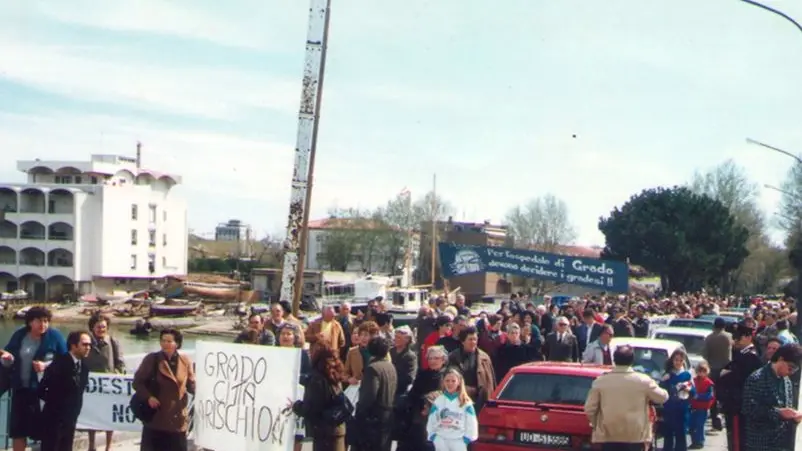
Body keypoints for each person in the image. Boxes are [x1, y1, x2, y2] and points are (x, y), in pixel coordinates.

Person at [0, 306, 67, 451]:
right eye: (39, 321)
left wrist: (46, 365)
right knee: (18, 432)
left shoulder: (55, 336)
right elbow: (9, 357)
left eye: (46, 321)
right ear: (30, 322)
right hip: (20, 390)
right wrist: (7, 358)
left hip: (43, 393)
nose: (43, 324)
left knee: (45, 431)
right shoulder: (19, 335)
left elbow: (66, 360)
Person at [585, 345, 669, 451]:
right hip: (635, 435)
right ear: (632, 360)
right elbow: (663, 397)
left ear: (614, 360)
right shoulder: (643, 380)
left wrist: (598, 424)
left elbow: (589, 408)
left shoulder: (600, 381)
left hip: (608, 434)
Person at [132, 329, 196, 451]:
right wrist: (148, 397)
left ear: (177, 344)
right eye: (163, 340)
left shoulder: (185, 361)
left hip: (178, 420)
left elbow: (191, 386)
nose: (165, 344)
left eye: (169, 341)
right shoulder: (152, 359)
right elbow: (137, 383)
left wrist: (201, 387)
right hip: (157, 418)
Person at [38, 330, 92, 451]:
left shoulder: (84, 367)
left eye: (89, 345)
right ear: (74, 345)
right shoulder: (59, 364)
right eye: (84, 344)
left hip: (71, 420)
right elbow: (42, 389)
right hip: (54, 420)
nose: (88, 347)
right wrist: (56, 406)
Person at [742, 343, 802, 451]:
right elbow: (748, 409)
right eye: (790, 367)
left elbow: (786, 410)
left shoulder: (787, 381)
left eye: (795, 370)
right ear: (780, 359)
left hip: (781, 444)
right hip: (760, 443)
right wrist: (778, 413)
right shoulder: (757, 378)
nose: (791, 372)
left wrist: (793, 417)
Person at [291, 346, 347, 451]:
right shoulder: (335, 375)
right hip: (338, 428)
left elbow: (311, 408)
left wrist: (296, 406)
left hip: (323, 432)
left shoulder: (317, 380)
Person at [84, 313, 126, 451]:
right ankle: (91, 445)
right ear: (92, 328)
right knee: (91, 416)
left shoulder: (113, 341)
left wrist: (116, 377)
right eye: (98, 327)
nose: (101, 329)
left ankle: (108, 447)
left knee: (109, 418)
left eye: (103, 327)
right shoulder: (86, 342)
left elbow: (120, 364)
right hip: (90, 387)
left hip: (109, 387)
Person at [718, 322, 763, 451]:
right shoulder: (742, 354)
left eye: (739, 337)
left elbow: (739, 379)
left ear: (748, 337)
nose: (735, 340)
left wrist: (725, 375)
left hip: (739, 405)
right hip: (735, 404)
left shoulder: (750, 356)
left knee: (738, 442)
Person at [398, 345, 449, 451]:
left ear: (443, 360)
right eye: (430, 358)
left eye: (436, 358)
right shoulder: (422, 374)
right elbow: (413, 393)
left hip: (440, 417)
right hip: (420, 415)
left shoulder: (448, 376)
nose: (432, 361)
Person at [354, 336, 398, 451]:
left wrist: (359, 412)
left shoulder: (372, 368)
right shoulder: (391, 366)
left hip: (373, 419)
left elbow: (369, 396)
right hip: (388, 415)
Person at [426, 368, 479, 451]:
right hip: (441, 440)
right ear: (443, 382)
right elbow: (431, 421)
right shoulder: (438, 401)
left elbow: (472, 423)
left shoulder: (465, 402)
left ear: (459, 382)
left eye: (453, 381)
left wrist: (466, 439)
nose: (450, 383)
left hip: (458, 441)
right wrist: (433, 436)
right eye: (447, 381)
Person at [278, 323, 311, 451]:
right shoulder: (273, 352)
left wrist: (294, 376)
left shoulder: (302, 355)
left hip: (295, 399)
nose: (285, 336)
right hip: (276, 398)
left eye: (288, 334)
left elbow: (309, 376)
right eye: (283, 334)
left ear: (294, 337)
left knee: (296, 435)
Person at [447, 326, 496, 412]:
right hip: (459, 400)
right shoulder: (453, 357)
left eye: (475, 339)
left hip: (480, 401)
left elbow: (491, 381)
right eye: (470, 339)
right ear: (463, 341)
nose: (473, 342)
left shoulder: (484, 358)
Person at [660, 348, 693, 451]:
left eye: (680, 360)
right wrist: (663, 381)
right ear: (672, 361)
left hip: (682, 409)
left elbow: (694, 392)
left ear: (683, 361)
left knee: (681, 435)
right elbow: (661, 390)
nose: (678, 362)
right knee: (668, 435)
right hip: (669, 409)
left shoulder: (687, 375)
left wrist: (689, 389)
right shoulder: (668, 374)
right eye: (676, 360)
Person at [702, 317, 731, 431]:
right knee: (726, 394)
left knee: (713, 395)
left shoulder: (709, 338)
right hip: (726, 369)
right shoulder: (728, 337)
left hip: (713, 369)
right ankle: (726, 418)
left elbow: (704, 354)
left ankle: (715, 418)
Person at [689, 361, 715, 450]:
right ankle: (694, 441)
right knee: (692, 425)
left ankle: (700, 442)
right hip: (693, 407)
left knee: (699, 425)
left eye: (704, 371)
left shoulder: (709, 383)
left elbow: (710, 395)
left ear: (707, 371)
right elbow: (690, 390)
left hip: (702, 408)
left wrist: (698, 396)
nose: (701, 373)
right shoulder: (694, 381)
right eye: (700, 371)